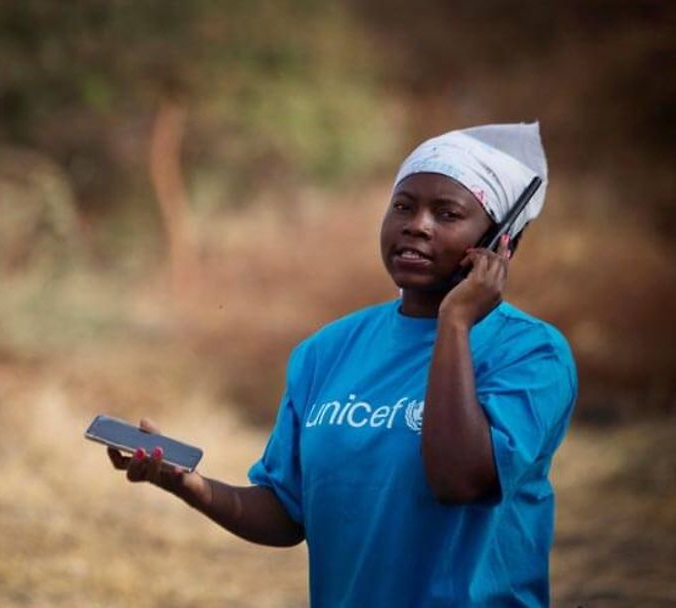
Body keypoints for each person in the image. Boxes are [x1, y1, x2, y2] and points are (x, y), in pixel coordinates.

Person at [106, 122, 577, 607]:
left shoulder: (531, 352)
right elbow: (288, 512)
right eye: (403, 205)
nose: (417, 224)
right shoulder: (326, 351)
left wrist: (454, 321)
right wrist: (189, 485)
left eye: (447, 213)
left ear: (500, 245)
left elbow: (459, 479)